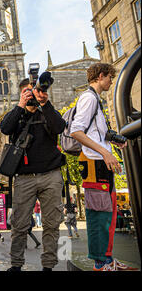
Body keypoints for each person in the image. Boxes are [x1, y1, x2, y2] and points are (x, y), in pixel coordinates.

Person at [71, 63, 137, 271]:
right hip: (94, 163)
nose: (111, 81)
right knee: (99, 214)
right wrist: (105, 152)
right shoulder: (89, 98)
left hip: (100, 163)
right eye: (110, 77)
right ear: (101, 76)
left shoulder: (95, 100)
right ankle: (101, 264)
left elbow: (94, 132)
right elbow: (76, 131)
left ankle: (107, 260)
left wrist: (112, 140)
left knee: (108, 212)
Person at [0, 76, 66, 272]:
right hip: (24, 177)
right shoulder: (17, 115)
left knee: (52, 224)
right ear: (21, 94)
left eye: (34, 91)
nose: (32, 95)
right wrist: (21, 105)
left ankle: (48, 265)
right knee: (19, 225)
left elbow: (60, 127)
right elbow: (5, 128)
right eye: (27, 92)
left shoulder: (47, 112)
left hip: (51, 175)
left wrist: (45, 103)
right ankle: (16, 264)